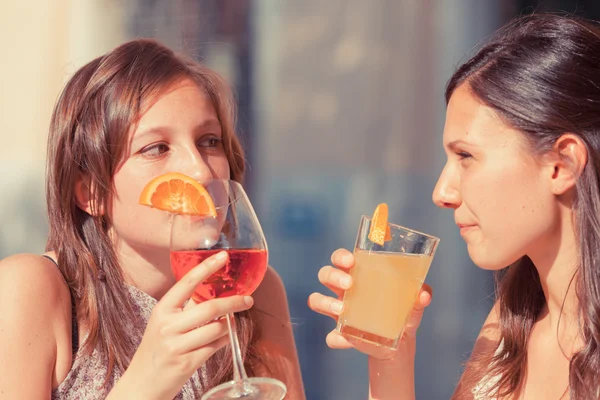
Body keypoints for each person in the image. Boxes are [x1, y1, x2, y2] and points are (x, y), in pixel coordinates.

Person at [309, 13, 600, 400]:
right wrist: (390, 355)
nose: (441, 192)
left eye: (465, 156)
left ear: (561, 164)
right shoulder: (512, 325)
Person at [0, 39, 304, 399]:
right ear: (90, 194)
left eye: (209, 141)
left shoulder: (252, 290)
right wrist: (147, 383)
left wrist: (387, 359)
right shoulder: (31, 290)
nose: (198, 169)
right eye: (156, 148)